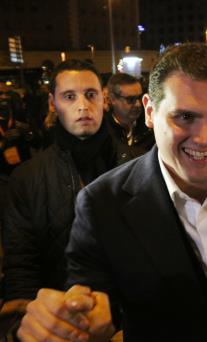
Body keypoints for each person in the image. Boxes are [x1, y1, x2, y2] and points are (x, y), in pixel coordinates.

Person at [16, 43, 207, 342]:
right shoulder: (102, 201)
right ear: (151, 112)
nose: (205, 138)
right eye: (184, 117)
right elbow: (88, 294)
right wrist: (69, 316)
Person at [2, 60, 137, 317]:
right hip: (61, 325)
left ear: (104, 100)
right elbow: (21, 266)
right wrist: (33, 324)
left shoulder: (140, 166)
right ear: (53, 103)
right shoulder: (27, 178)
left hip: (131, 326)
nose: (82, 106)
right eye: (69, 96)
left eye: (90, 95)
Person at [105, 73, 154, 152]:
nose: (138, 104)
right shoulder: (103, 131)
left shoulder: (149, 126)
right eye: (130, 99)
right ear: (112, 99)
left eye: (139, 97)